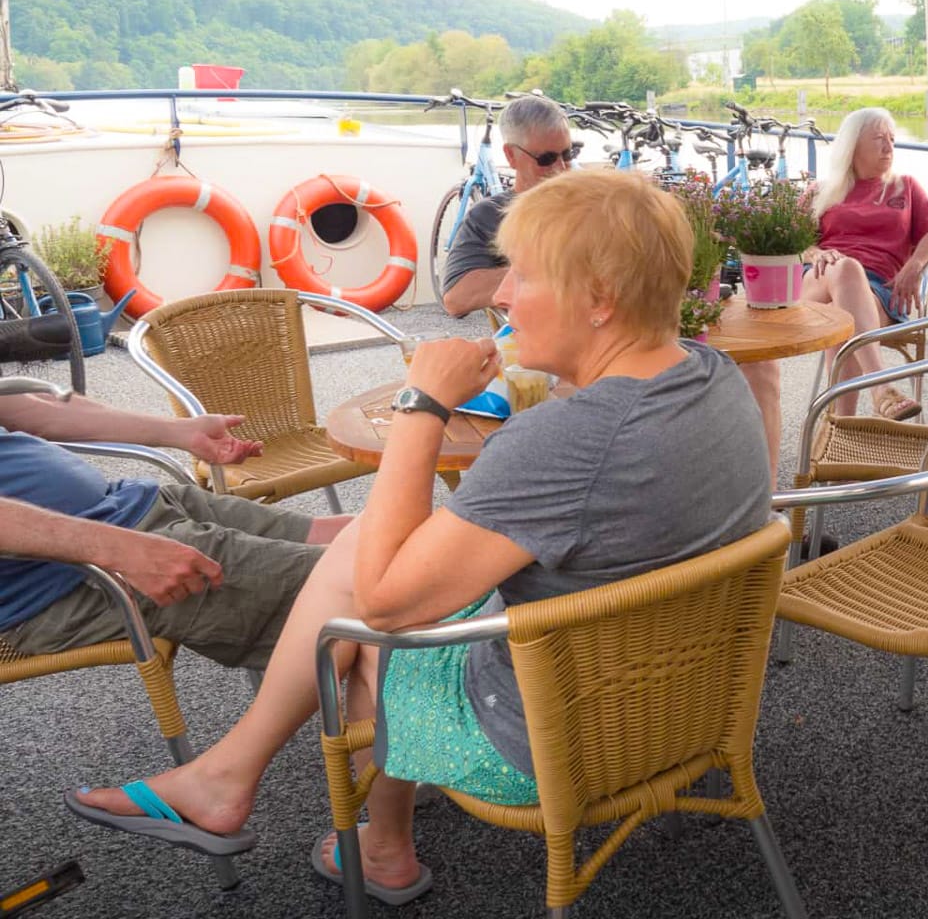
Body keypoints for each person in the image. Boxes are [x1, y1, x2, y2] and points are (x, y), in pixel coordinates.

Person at [68, 169, 772, 903]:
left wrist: (423, 404)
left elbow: (384, 603)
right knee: (368, 553)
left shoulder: (568, 443)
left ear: (600, 299)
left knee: (358, 625)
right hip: (684, 711)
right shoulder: (712, 375)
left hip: (549, 746)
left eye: (523, 276)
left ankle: (338, 828)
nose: (499, 295)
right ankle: (282, 800)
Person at [0, 392, 350, 669]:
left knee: (337, 535)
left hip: (126, 507)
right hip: (69, 576)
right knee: (364, 585)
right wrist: (114, 549)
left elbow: (31, 408)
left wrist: (180, 431)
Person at [738, 109, 928, 464]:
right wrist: (817, 251)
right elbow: (790, 243)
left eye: (892, 139)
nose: (889, 146)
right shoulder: (821, 191)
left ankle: (839, 432)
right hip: (817, 285)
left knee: (847, 311)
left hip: (879, 296)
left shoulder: (904, 187)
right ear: (853, 146)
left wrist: (915, 264)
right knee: (845, 268)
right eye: (879, 139)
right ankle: (881, 387)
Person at [440, 94, 577, 318]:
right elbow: (456, 297)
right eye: (546, 159)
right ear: (511, 155)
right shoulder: (489, 216)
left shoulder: (594, 204)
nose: (561, 168)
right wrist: (552, 273)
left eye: (568, 154)